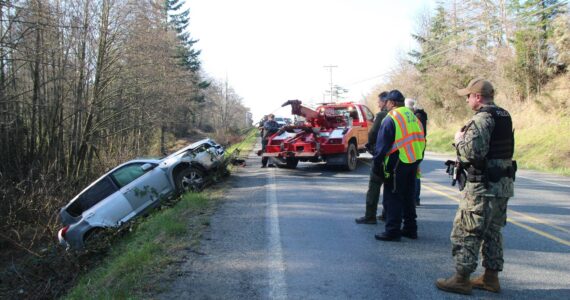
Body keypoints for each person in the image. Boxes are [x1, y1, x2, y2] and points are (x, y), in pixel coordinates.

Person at [435, 78, 515, 295]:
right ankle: (491, 278)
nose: (467, 99)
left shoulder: (482, 119)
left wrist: (459, 140)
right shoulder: (504, 116)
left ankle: (461, 278)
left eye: (468, 96)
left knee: (467, 229)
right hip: (502, 185)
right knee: (493, 231)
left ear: (478, 97)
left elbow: (473, 152)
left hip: (483, 187)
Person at [372, 90, 426, 241]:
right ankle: (410, 229)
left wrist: (377, 165)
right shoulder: (413, 117)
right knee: (408, 196)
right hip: (413, 160)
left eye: (387, 102)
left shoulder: (392, 118)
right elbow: (422, 138)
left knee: (393, 196)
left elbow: (381, 146)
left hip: (397, 162)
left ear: (392, 103)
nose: (385, 105)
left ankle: (392, 231)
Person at [355, 91, 389, 224]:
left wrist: (369, 144)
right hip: (394, 157)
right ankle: (386, 214)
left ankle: (370, 216)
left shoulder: (381, 115)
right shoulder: (398, 115)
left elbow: (373, 133)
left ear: (385, 102)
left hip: (380, 155)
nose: (378, 104)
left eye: (379, 101)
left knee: (374, 186)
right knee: (389, 187)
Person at [405, 98, 428, 206]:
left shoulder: (417, 117)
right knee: (416, 173)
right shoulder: (421, 116)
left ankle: (414, 198)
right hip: (419, 147)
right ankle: (415, 198)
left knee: (414, 173)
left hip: (416, 147)